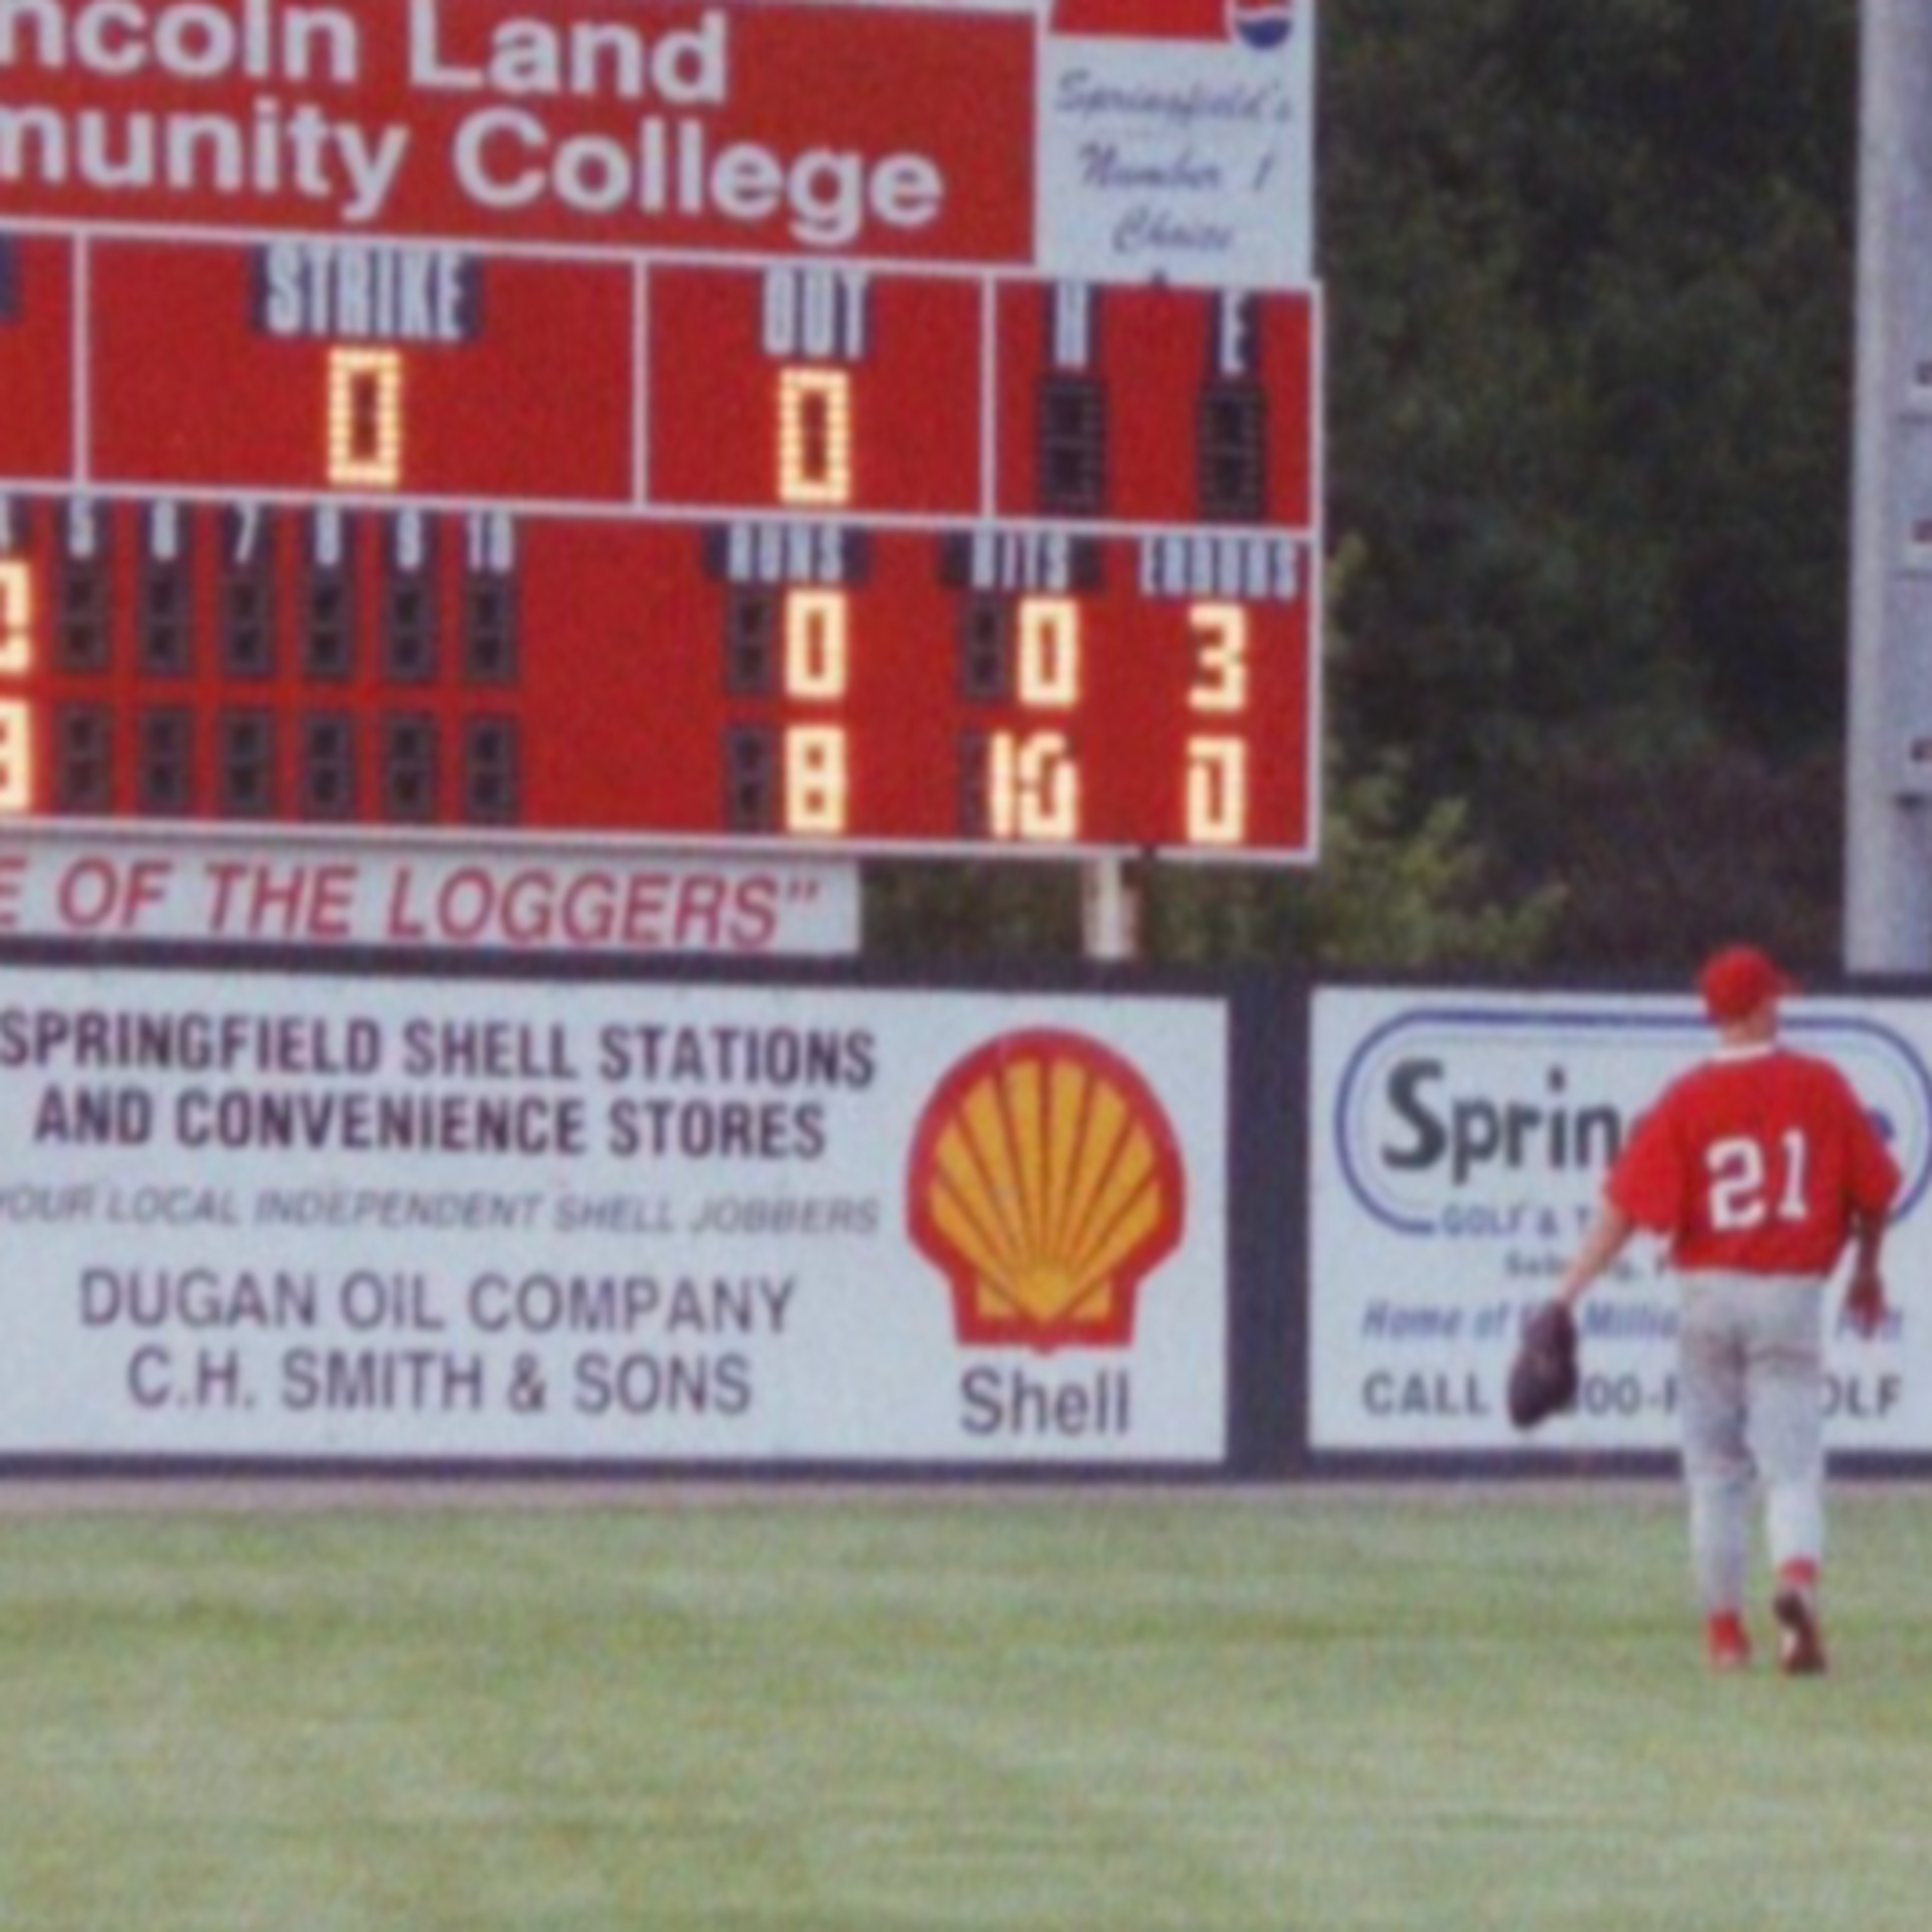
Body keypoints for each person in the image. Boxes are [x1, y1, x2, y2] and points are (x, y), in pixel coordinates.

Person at [1555, 943, 1900, 1676]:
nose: (1782, 1007)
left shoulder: (1687, 1098)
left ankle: (1725, 1638)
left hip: (1708, 1291)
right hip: (1789, 1293)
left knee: (1715, 1473)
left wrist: (1567, 1293)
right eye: (1774, 997)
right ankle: (1796, 1588)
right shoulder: (1818, 1085)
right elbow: (1874, 1192)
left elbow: (1623, 1208)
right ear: (1759, 1007)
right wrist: (1868, 1270)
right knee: (1792, 1468)